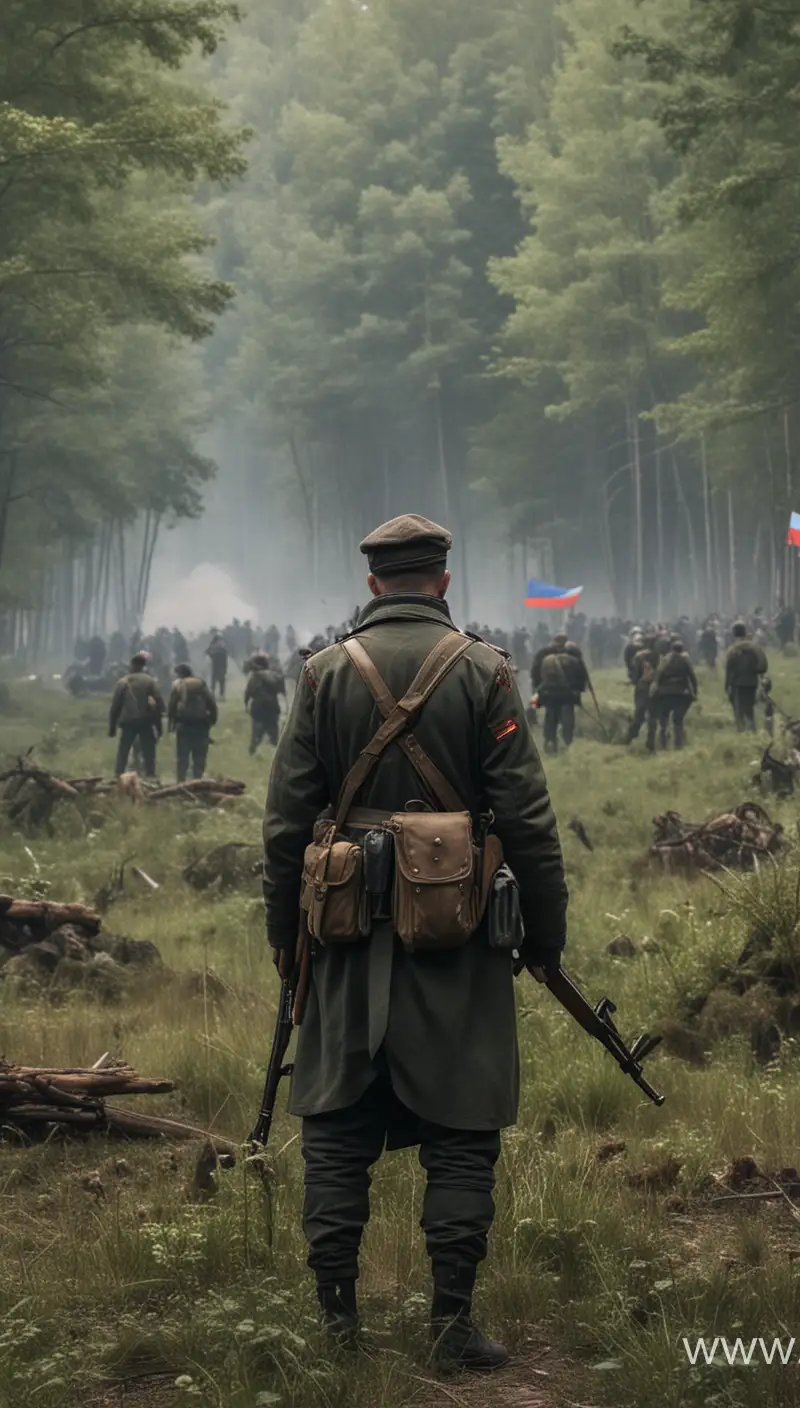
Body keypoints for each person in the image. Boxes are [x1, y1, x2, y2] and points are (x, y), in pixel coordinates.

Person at [262, 513, 568, 1372]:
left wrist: (285, 937)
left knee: (334, 1132)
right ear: (441, 579)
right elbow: (531, 824)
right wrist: (544, 940)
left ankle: (336, 1330)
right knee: (464, 1134)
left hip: (345, 940)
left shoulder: (324, 674)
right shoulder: (485, 673)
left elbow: (288, 822)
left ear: (373, 585)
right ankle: (451, 1325)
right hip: (462, 939)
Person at [108, 652, 163, 777]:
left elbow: (115, 707)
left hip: (128, 721)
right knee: (149, 750)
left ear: (131, 665)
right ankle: (150, 774)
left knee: (123, 750)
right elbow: (158, 703)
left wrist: (112, 728)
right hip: (145, 721)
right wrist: (159, 727)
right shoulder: (149, 681)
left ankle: (119, 774)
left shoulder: (123, 682)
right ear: (143, 666)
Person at [532, 633, 584, 754]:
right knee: (564, 721)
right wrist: (578, 691)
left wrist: (538, 690)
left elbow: (535, 674)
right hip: (565, 694)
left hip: (552, 694)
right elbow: (581, 675)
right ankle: (564, 743)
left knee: (553, 719)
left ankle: (553, 743)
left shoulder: (544, 655)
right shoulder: (573, 655)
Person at [168, 663, 219, 782]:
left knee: (182, 757)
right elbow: (211, 704)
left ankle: (180, 782)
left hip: (183, 724)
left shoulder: (178, 685)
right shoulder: (200, 684)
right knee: (199, 757)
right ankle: (198, 780)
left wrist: (172, 723)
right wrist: (212, 721)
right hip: (201, 725)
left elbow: (172, 706)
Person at [649, 637, 698, 750]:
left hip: (664, 694)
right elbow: (692, 678)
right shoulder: (685, 661)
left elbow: (657, 677)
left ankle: (663, 743)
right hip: (680, 694)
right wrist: (694, 692)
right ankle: (678, 744)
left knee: (663, 720)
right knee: (678, 720)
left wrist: (654, 692)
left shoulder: (664, 661)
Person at [724, 622, 769, 732]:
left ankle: (742, 732)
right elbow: (763, 665)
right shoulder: (754, 648)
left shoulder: (733, 650)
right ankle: (753, 730)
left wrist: (727, 686)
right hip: (752, 682)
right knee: (750, 709)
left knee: (739, 710)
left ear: (734, 633)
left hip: (737, 684)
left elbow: (728, 669)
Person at [244, 651, 286, 753]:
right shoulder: (275, 676)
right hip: (273, 707)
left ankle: (252, 752)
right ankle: (278, 755)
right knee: (274, 736)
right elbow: (282, 691)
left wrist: (246, 704)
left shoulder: (255, 677)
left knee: (256, 735)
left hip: (258, 708)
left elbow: (249, 692)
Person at [624, 632, 660, 745]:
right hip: (655, 687)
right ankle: (650, 743)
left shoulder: (639, 656)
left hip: (642, 686)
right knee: (653, 717)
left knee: (639, 714)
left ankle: (629, 737)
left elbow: (634, 673)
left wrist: (634, 681)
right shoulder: (659, 656)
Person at [206, 630, 230, 699]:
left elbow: (207, 652)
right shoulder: (222, 647)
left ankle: (216, 693)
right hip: (219, 665)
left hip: (216, 665)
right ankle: (220, 694)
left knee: (215, 680)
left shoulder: (214, 646)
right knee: (220, 681)